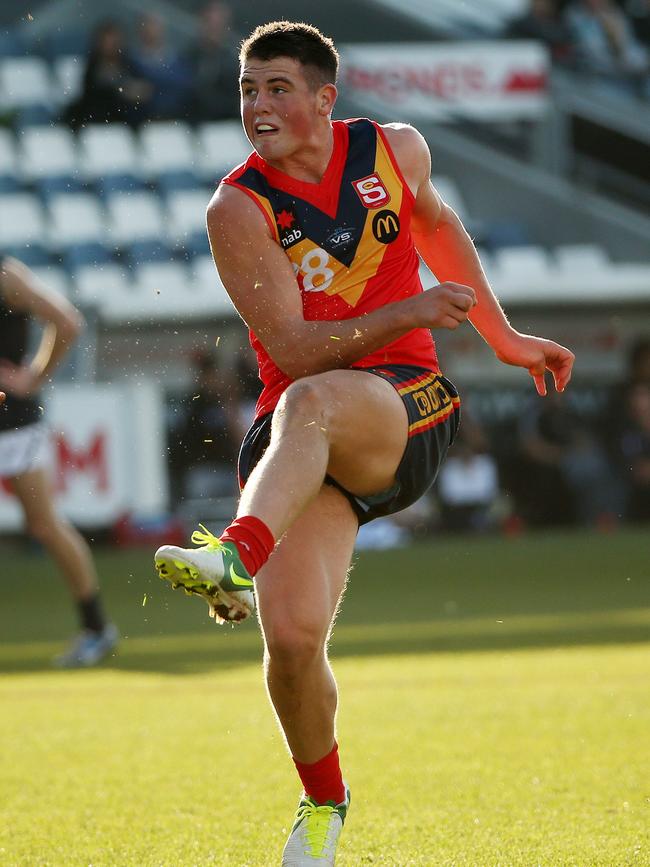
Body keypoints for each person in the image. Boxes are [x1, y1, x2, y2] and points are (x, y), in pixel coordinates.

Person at [153, 21, 574, 865]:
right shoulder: (237, 207)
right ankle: (323, 806)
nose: (258, 106)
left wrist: (504, 337)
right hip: (307, 427)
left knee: (308, 405)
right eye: (246, 90)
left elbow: (439, 230)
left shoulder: (396, 150)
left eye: (276, 88)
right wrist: (409, 308)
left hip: (402, 405)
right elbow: (298, 347)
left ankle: (235, 550)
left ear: (323, 99)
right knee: (295, 646)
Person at [0, 256, 118, 667]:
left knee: (44, 524)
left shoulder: (7, 276)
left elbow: (68, 322)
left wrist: (33, 377)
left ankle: (96, 627)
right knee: (46, 524)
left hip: (11, 425)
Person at [64, 19, 151, 130]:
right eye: (107, 42)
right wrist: (122, 89)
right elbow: (96, 92)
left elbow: (143, 89)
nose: (110, 46)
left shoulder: (129, 64)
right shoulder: (92, 66)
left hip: (125, 121)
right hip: (98, 121)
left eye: (114, 42)